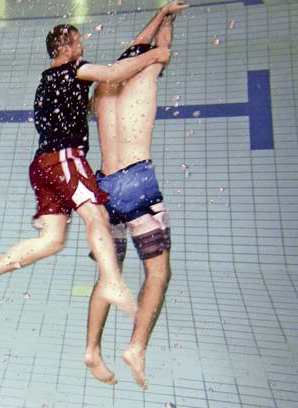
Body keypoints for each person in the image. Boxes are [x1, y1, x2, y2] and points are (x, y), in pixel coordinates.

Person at [0, 23, 171, 318]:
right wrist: (156, 54)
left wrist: (159, 18)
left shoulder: (47, 79)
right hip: (64, 159)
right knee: (97, 215)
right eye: (78, 43)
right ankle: (111, 282)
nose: (82, 48)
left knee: (52, 240)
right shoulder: (73, 70)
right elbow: (114, 72)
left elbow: (117, 66)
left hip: (42, 165)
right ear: (66, 48)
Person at [84, 1, 189, 390]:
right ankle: (136, 347)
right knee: (158, 272)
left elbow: (135, 47)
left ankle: (92, 349)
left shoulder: (102, 87)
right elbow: (158, 46)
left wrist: (161, 11)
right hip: (137, 184)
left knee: (108, 276)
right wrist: (170, 21)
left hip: (103, 188)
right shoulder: (148, 75)